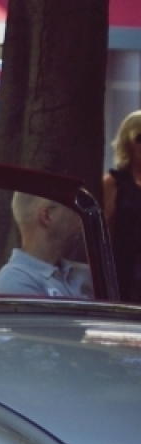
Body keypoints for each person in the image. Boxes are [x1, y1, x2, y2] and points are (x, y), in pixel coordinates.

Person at [0, 193, 92, 299]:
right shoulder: (14, 281)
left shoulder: (87, 274)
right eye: (73, 210)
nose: (80, 216)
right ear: (47, 216)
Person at [103, 110, 141, 303]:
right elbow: (104, 233)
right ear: (128, 143)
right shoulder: (114, 183)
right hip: (123, 270)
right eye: (140, 138)